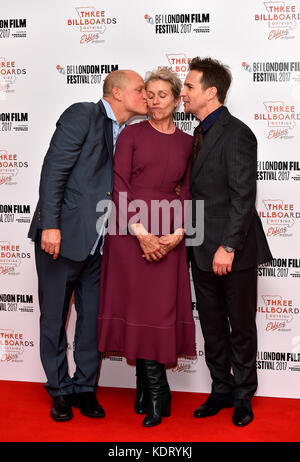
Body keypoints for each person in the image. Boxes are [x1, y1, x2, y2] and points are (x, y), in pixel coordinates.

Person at [28, 69, 148, 422]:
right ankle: (60, 390)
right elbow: (54, 172)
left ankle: (84, 388)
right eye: (139, 89)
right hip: (61, 239)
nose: (145, 95)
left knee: (92, 320)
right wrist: (50, 225)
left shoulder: (130, 133)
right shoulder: (83, 114)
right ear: (117, 93)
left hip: (101, 245)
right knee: (54, 319)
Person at [97, 67, 196, 427]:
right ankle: (157, 391)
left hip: (169, 233)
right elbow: (119, 184)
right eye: (149, 95)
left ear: (175, 99)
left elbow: (186, 191)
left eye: (162, 95)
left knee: (158, 311)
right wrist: (140, 232)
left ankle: (148, 389)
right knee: (137, 306)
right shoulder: (131, 134)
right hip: (129, 232)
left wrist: (180, 232)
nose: (154, 101)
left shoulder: (188, 142)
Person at [181, 57, 272, 427]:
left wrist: (228, 246)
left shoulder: (236, 134)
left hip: (232, 250)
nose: (182, 93)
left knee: (241, 326)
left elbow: (242, 197)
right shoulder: (197, 135)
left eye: (189, 87)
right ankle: (221, 388)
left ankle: (243, 395)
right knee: (213, 326)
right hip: (200, 246)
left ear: (211, 91)